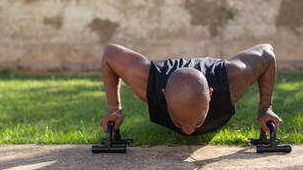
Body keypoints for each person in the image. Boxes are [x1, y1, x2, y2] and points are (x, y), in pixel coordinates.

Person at [99, 43, 283, 136]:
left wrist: (266, 108)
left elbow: (267, 52)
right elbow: (109, 54)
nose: (188, 132)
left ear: (210, 95)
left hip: (219, 79)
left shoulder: (231, 81)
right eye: (179, 123)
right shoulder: (150, 84)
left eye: (197, 122)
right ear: (164, 96)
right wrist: (113, 109)